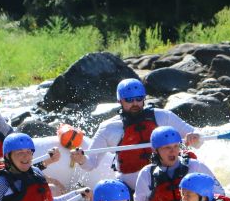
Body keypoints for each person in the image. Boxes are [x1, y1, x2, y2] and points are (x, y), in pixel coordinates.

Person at [70, 78, 202, 191]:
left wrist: (193, 136)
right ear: (120, 101)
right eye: (129, 100)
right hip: (130, 185)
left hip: (166, 178)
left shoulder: (162, 116)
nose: (135, 103)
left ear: (144, 98)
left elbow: (198, 139)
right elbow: (90, 164)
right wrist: (81, 159)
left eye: (139, 99)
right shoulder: (108, 128)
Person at [128, 126, 225, 201]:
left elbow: (219, 193)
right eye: (167, 148)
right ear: (155, 150)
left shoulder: (196, 166)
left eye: (176, 146)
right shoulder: (146, 173)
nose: (173, 151)